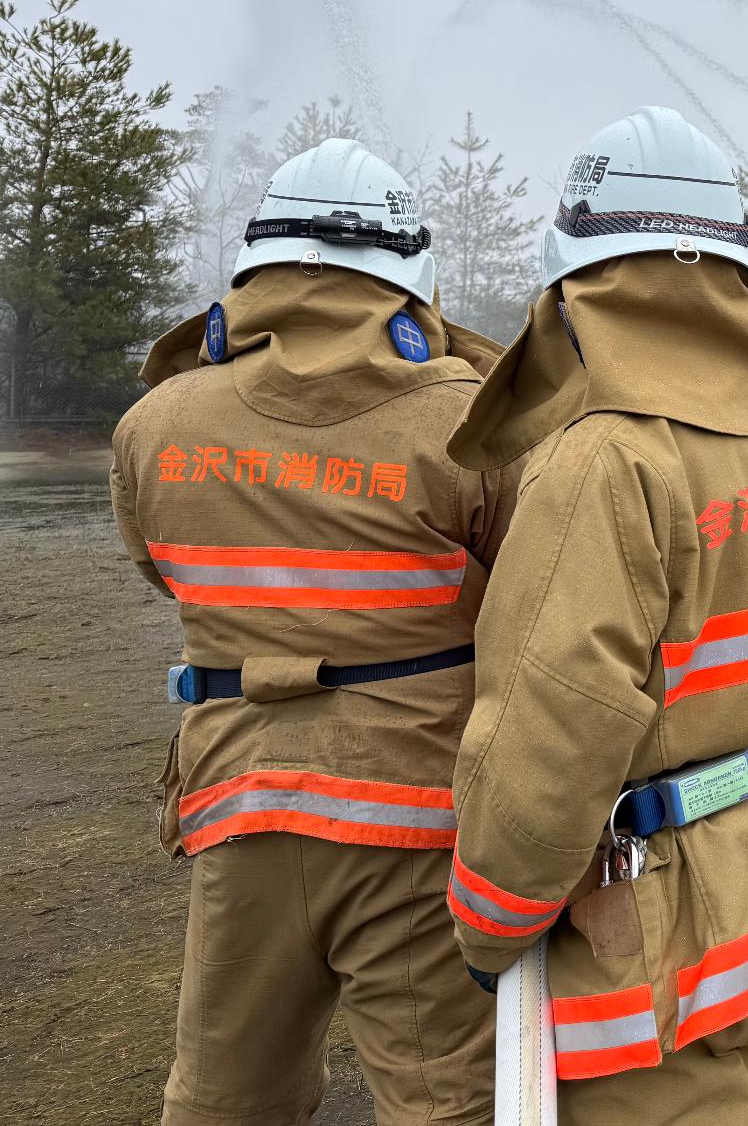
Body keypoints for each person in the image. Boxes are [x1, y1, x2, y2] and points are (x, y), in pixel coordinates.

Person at [444, 107, 748, 1118]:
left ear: (580, 285)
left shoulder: (604, 460)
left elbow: (552, 726)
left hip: (645, 933)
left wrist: (491, 928)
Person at [109, 138, 517, 1124]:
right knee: (441, 1101)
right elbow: (525, 592)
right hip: (413, 812)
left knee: (222, 1095)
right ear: (410, 272)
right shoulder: (470, 422)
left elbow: (160, 570)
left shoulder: (156, 422)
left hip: (235, 798)